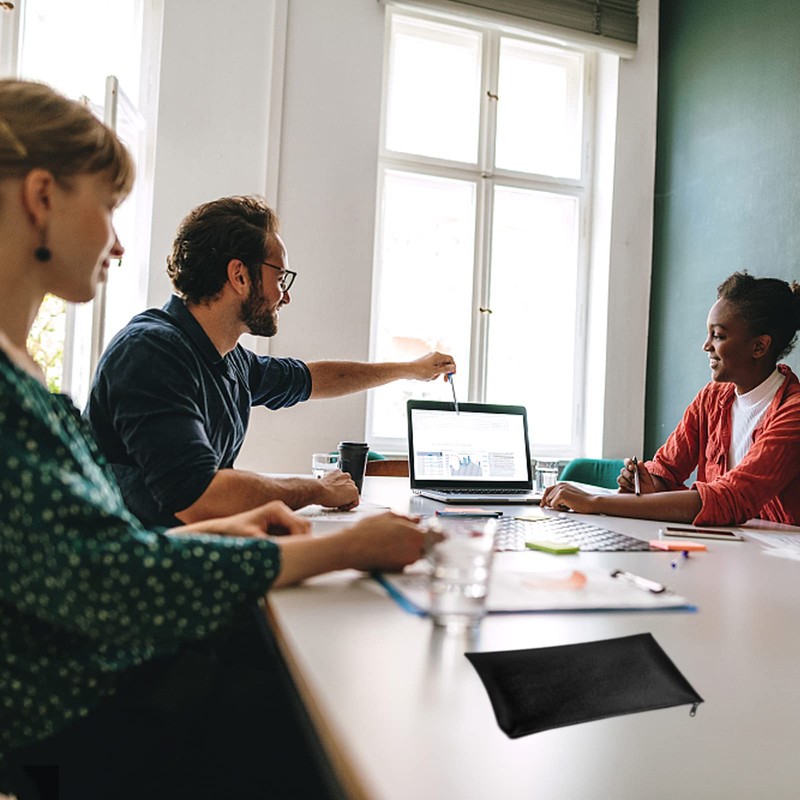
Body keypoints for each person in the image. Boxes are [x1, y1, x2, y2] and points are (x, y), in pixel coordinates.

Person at [0, 78, 426, 800]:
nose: (117, 238)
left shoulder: (219, 362)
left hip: (107, 668)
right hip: (77, 716)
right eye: (107, 206)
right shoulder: (147, 352)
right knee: (326, 727)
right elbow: (119, 578)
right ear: (42, 198)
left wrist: (409, 369)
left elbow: (93, 558)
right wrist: (337, 541)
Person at [84, 194, 456, 528]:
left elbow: (313, 379)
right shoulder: (151, 353)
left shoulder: (229, 359)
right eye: (281, 278)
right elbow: (202, 498)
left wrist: (410, 369)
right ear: (240, 276)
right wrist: (317, 490)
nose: (285, 297)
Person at [542, 272, 800, 526]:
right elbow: (664, 470)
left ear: (759, 346)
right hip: (727, 550)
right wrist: (648, 484)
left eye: (719, 336)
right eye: (708, 334)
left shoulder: (793, 411)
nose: (706, 345)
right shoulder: (710, 399)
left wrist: (595, 502)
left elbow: (730, 498)